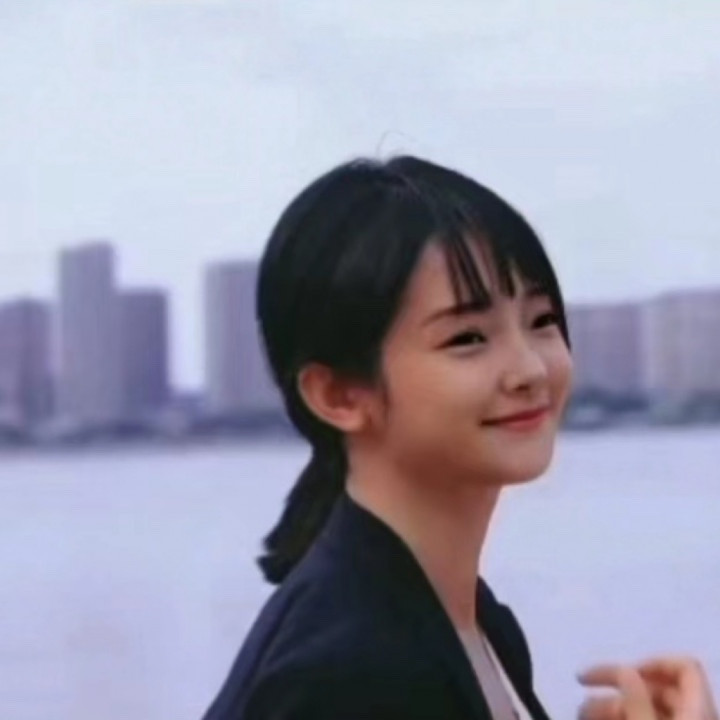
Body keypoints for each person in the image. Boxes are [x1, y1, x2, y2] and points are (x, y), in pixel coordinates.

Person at [201, 156, 716, 720]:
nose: (530, 369)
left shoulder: (468, 621)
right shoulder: (350, 672)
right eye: (468, 338)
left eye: (541, 321)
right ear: (340, 395)